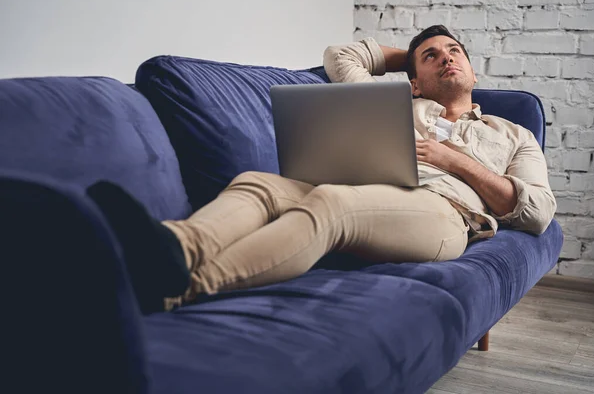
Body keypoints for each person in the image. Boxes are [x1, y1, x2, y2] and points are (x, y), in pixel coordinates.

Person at [87, 25, 557, 314]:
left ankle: (178, 290)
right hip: (375, 188)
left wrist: (453, 159)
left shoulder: (513, 134)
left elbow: (536, 211)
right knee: (259, 184)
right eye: (431, 56)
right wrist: (409, 56)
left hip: (444, 214)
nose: (446, 58)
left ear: (474, 73)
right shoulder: (393, 104)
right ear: (415, 80)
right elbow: (342, 57)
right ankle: (174, 247)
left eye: (455, 51)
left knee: (332, 202)